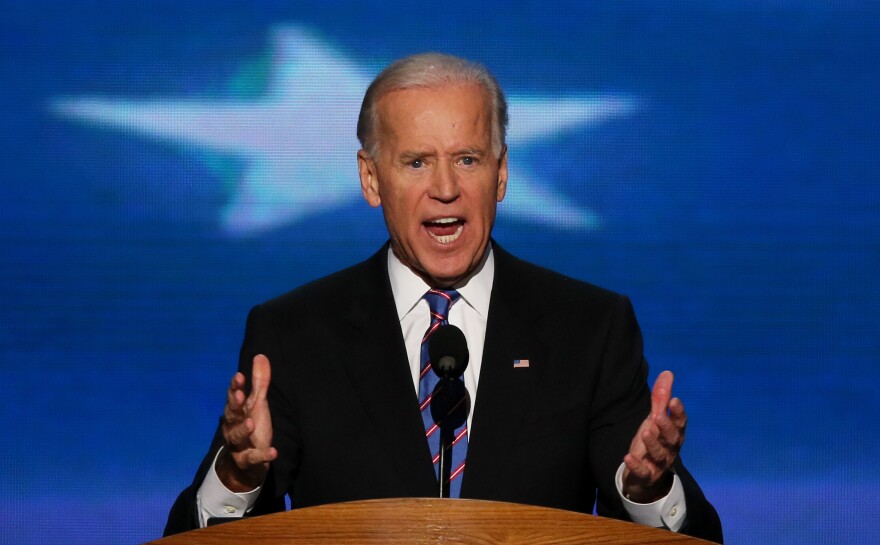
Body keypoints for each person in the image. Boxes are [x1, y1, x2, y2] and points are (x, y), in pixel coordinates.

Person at [164, 53, 722, 543]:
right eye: (416, 162)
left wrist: (650, 490)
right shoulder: (293, 334)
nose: (446, 188)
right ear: (370, 179)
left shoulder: (590, 328)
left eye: (467, 159)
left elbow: (696, 535)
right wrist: (238, 477)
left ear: (501, 174)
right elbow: (190, 538)